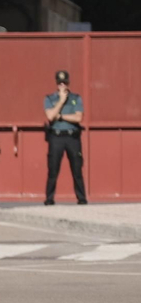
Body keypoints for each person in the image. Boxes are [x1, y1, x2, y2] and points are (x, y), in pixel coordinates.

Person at [44, 69, 88, 206]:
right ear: (56, 84)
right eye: (60, 83)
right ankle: (49, 198)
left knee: (77, 169)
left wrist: (61, 117)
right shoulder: (50, 99)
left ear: (68, 83)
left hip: (72, 137)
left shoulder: (76, 98)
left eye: (65, 83)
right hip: (56, 137)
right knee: (53, 170)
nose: (62, 85)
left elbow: (78, 117)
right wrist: (61, 101)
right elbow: (50, 116)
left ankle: (81, 198)